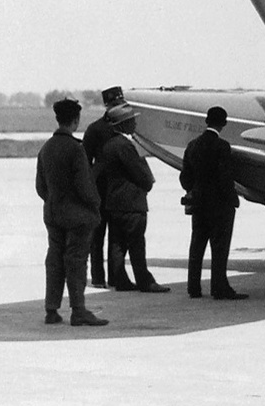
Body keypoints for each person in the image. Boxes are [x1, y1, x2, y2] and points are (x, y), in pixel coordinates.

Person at [34, 98, 108, 326]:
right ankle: (78, 310)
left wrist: (54, 200)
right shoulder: (76, 150)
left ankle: (51, 310)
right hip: (77, 218)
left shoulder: (46, 148)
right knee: (76, 262)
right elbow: (85, 186)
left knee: (54, 260)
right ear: (75, 121)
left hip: (53, 214)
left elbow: (40, 186)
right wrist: (95, 205)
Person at [92, 104, 170, 294]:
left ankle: (120, 279)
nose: (135, 123)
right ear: (124, 124)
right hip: (131, 203)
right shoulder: (125, 146)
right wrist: (147, 184)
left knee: (118, 244)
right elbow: (140, 173)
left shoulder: (109, 145)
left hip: (114, 202)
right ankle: (144, 281)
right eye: (132, 120)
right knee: (136, 243)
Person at [180, 106, 247, 300]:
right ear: (223, 123)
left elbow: (185, 177)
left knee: (197, 245)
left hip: (199, 203)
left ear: (206, 121)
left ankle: (193, 288)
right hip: (219, 205)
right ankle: (219, 287)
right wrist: (233, 199)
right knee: (219, 248)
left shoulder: (192, 145)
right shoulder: (222, 146)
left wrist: (193, 191)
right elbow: (225, 177)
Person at [82, 85, 126, 289]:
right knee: (98, 236)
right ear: (107, 105)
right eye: (114, 103)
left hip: (116, 190)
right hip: (101, 189)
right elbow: (85, 161)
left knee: (115, 237)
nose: (117, 105)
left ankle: (114, 276)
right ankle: (98, 277)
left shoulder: (120, 126)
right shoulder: (95, 129)